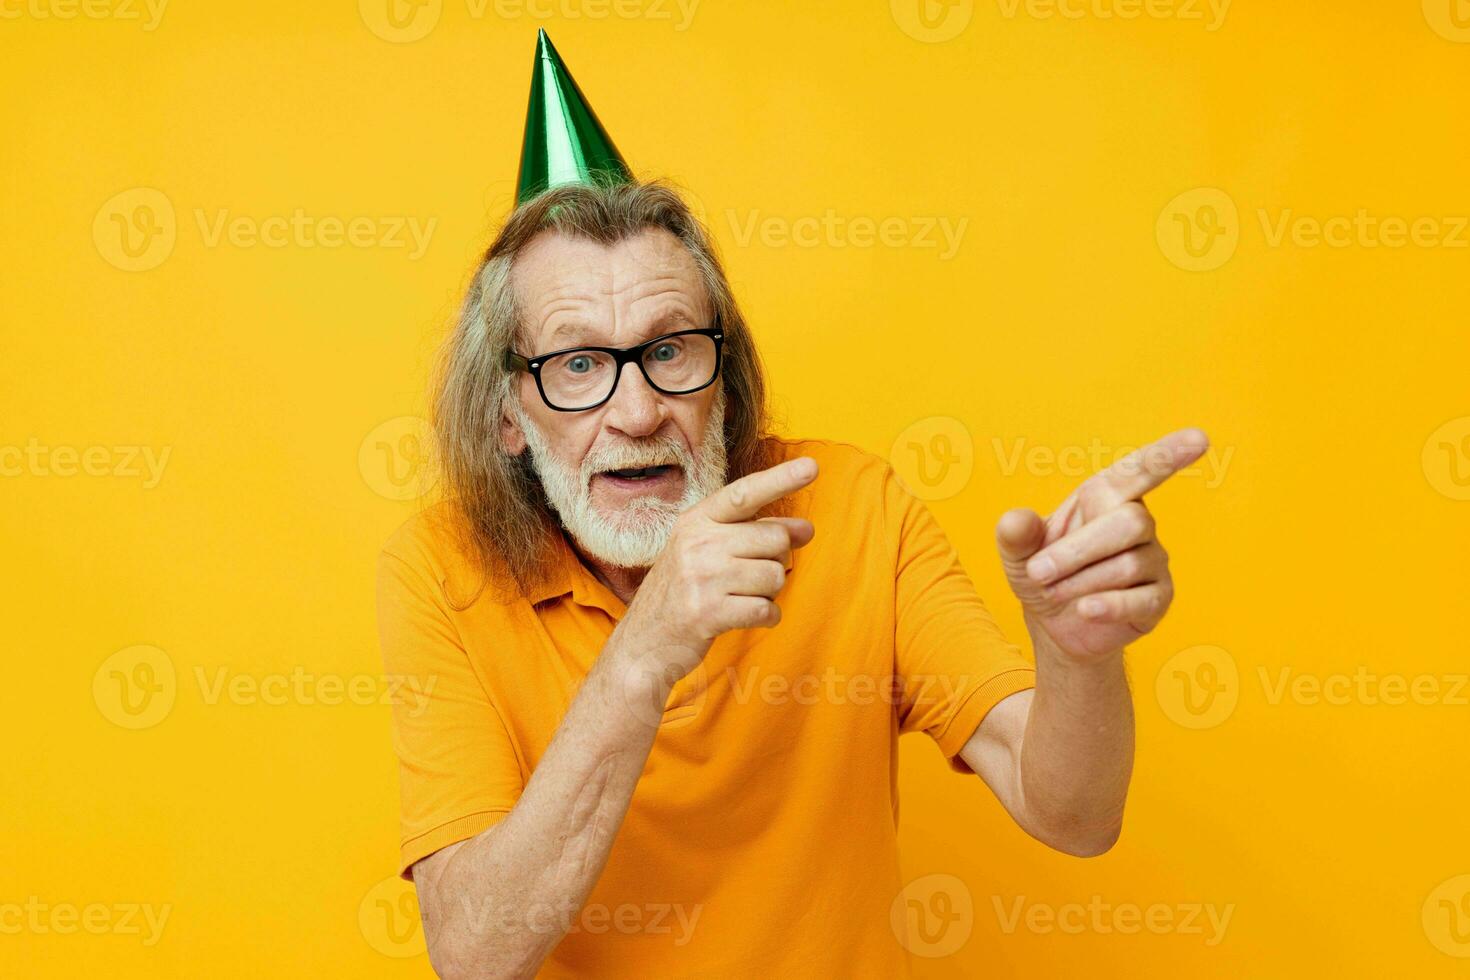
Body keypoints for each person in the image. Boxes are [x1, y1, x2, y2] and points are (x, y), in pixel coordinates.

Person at [376, 30, 1209, 979]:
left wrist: (1077, 657)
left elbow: (1076, 815)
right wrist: (648, 649)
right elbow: (476, 954)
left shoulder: (853, 508)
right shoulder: (437, 570)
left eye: (671, 348)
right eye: (577, 365)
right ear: (509, 414)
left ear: (725, 372)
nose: (639, 410)